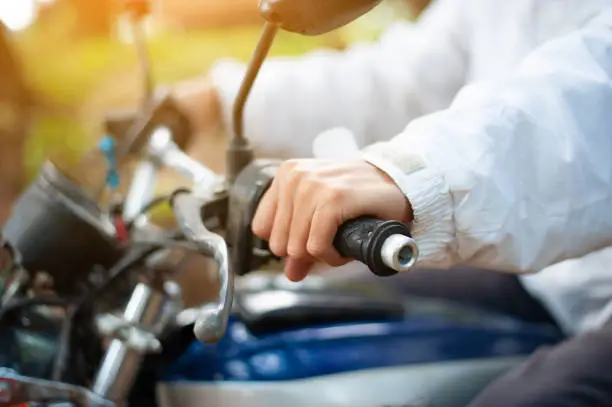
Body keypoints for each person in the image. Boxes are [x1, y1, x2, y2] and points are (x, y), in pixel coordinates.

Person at [167, 0, 612, 405]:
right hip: (548, 277)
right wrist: (216, 98)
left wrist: (409, 176)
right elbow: (404, 80)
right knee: (313, 322)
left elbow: (588, 104)